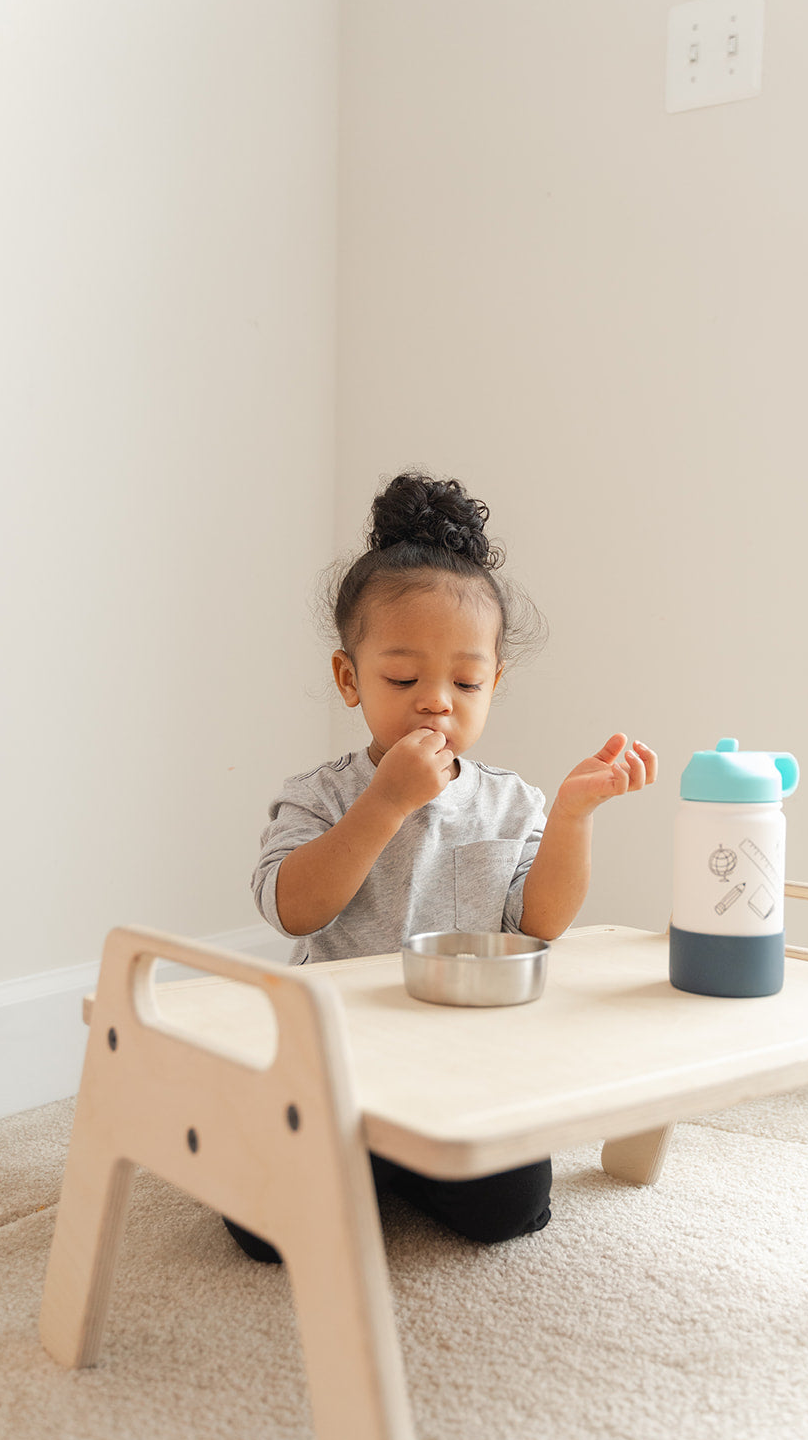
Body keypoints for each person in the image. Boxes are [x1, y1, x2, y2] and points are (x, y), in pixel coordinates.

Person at [227, 472, 657, 1262]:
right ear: (349, 678)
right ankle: (348, 1161)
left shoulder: (510, 801)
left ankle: (402, 1169)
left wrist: (569, 815)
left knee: (510, 1213)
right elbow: (293, 909)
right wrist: (382, 805)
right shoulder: (321, 796)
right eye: (401, 678)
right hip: (335, 1059)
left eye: (464, 681)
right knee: (263, 1231)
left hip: (464, 1069)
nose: (435, 702)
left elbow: (539, 923)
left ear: (495, 683)